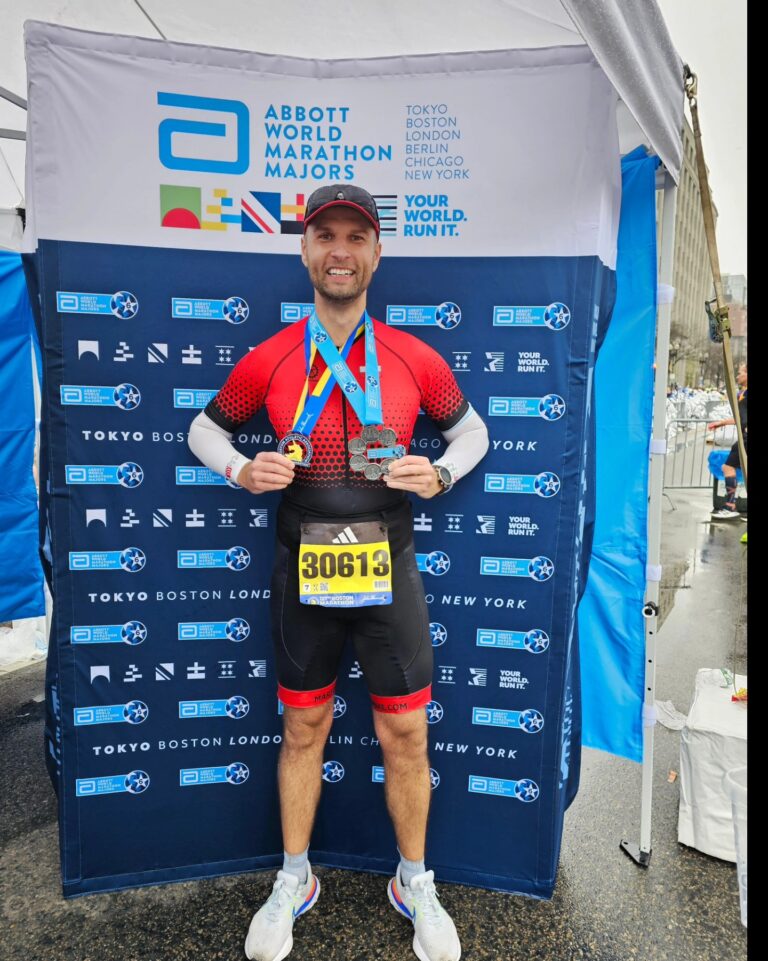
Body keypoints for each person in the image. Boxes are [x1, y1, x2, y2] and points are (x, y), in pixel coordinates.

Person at [188, 184, 489, 961]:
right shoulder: (273, 356)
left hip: (388, 563)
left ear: (377, 253)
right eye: (326, 236)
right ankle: (295, 877)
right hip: (304, 566)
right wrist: (239, 469)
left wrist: (443, 473)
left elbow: (474, 432)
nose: (341, 252)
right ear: (305, 251)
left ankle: (414, 881)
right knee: (302, 727)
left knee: (406, 732)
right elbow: (202, 428)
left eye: (357, 237)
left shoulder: (413, 356)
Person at [707, 362, 747, 520]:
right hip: (743, 437)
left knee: (727, 466)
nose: (737, 376)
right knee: (730, 467)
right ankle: (731, 505)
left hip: (745, 438)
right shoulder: (741, 394)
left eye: (740, 373)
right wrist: (721, 423)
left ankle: (730, 506)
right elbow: (740, 418)